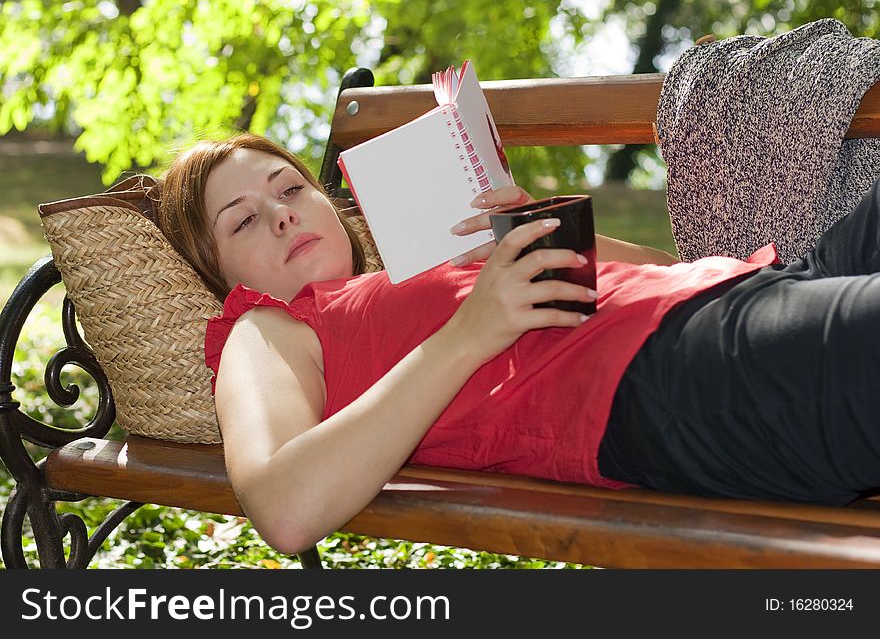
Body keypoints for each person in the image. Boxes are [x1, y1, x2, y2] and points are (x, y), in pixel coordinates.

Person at [157, 133, 880, 556]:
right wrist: (467, 335)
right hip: (673, 382)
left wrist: (539, 228)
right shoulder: (266, 329)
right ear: (215, 272)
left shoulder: (413, 269)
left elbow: (658, 274)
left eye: (288, 189)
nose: (280, 216)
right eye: (241, 222)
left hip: (747, 294)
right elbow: (285, 507)